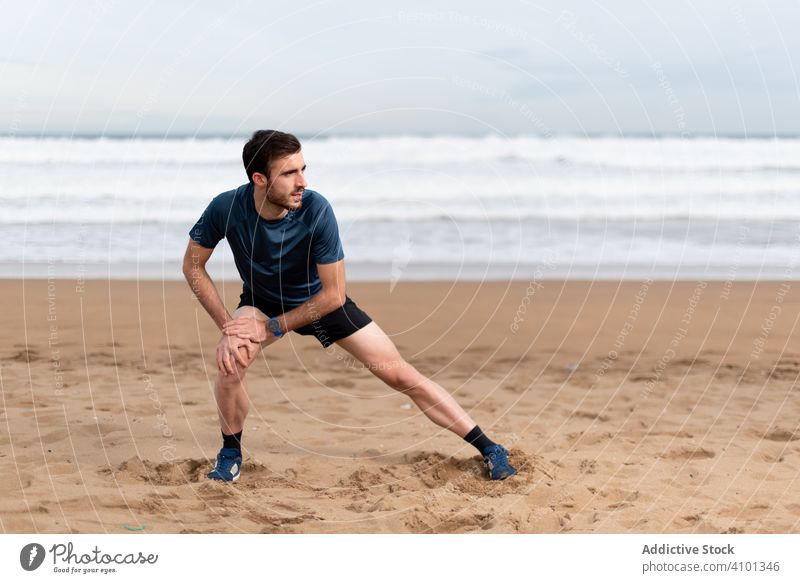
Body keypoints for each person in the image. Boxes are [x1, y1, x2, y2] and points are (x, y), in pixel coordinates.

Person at [182, 130, 517, 483]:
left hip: (319, 304)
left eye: (303, 169)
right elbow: (192, 265)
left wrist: (272, 327)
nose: (302, 182)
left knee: (401, 375)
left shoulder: (316, 210)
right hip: (262, 302)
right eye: (290, 173)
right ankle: (230, 454)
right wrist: (229, 327)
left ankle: (490, 447)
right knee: (230, 364)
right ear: (259, 179)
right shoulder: (226, 207)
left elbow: (334, 296)